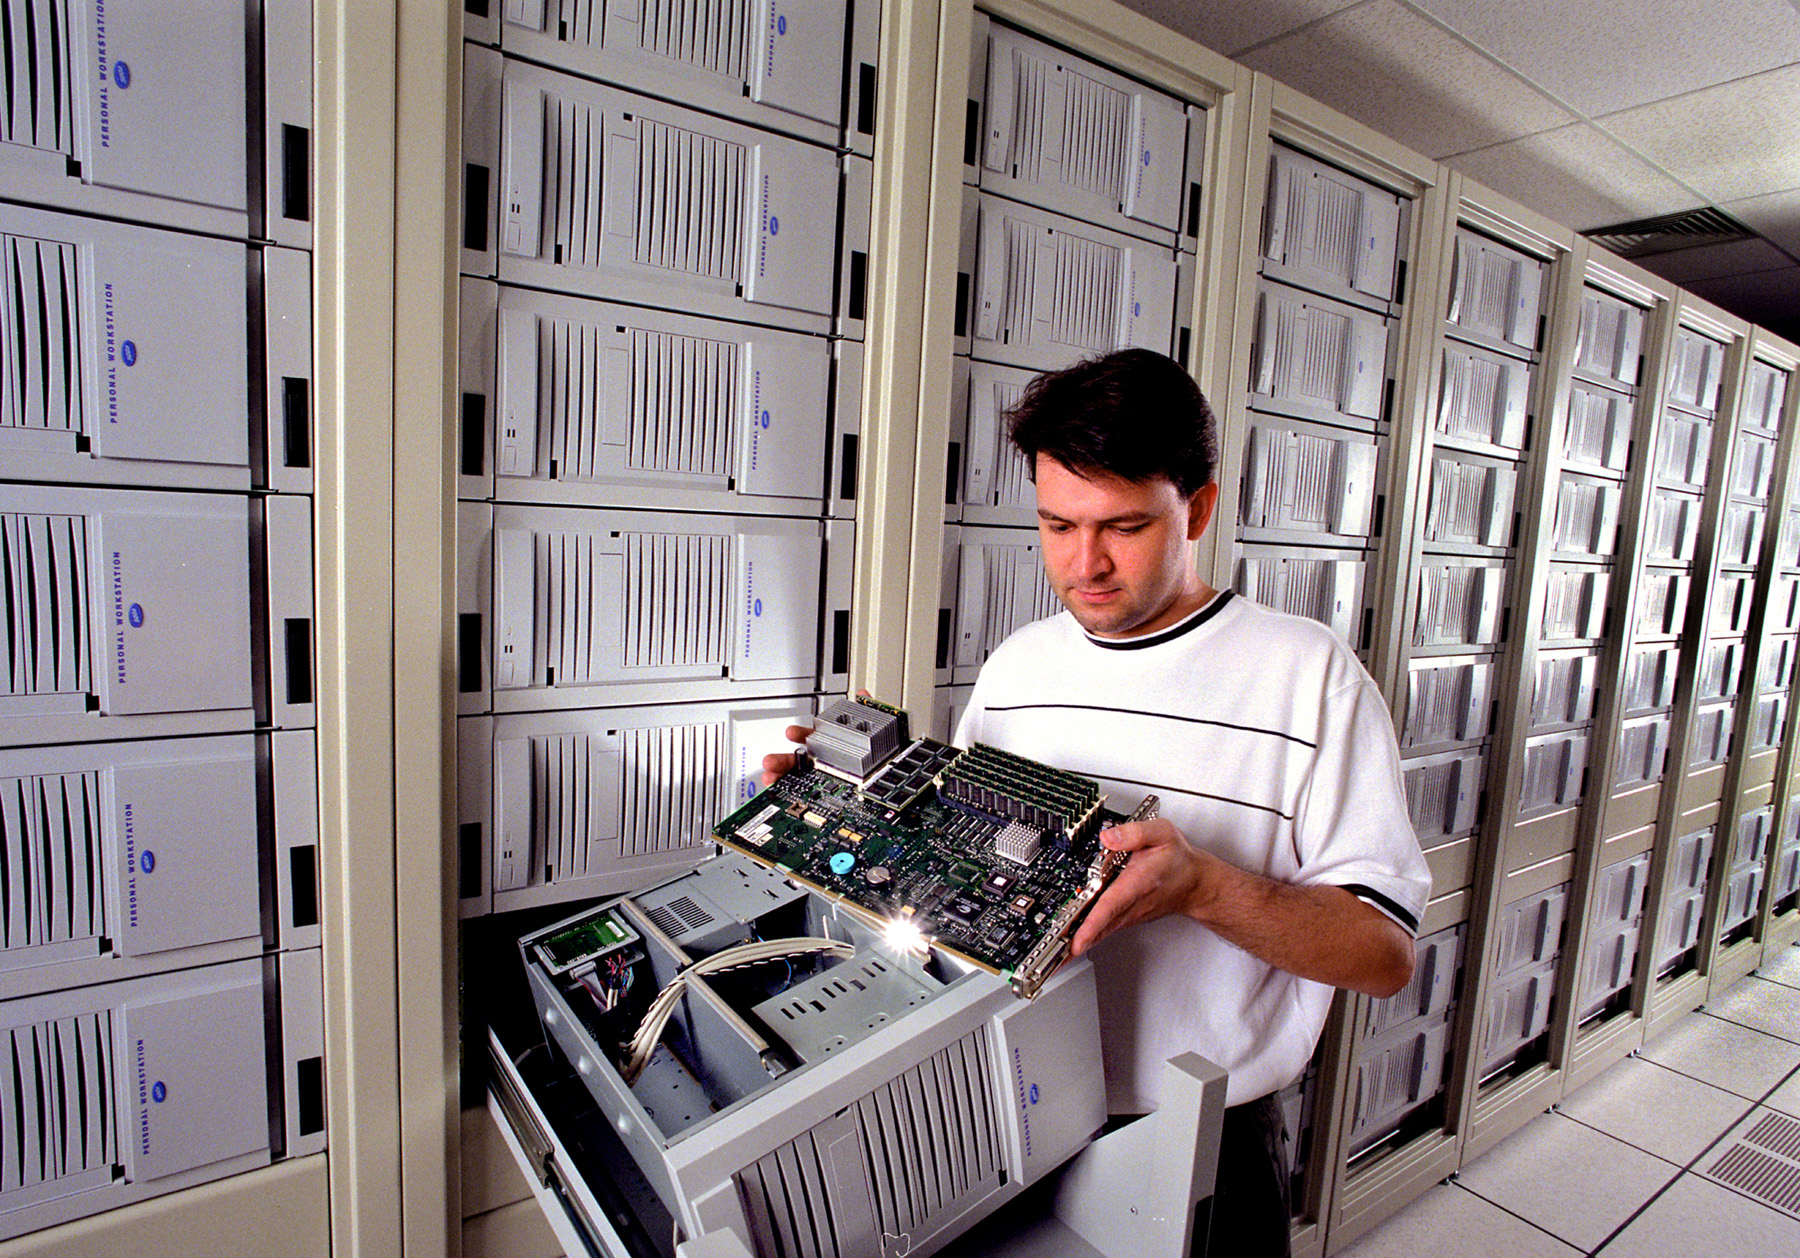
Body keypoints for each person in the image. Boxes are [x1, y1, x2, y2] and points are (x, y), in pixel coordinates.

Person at [766, 348, 1430, 1258]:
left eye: (1124, 526)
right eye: (1056, 524)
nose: (1085, 565)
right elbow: (949, 882)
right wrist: (836, 813)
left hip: (1200, 1138)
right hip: (1005, 1109)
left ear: (1196, 506)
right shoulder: (1019, 668)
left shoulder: (1310, 679)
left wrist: (1204, 888)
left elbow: (1384, 952)